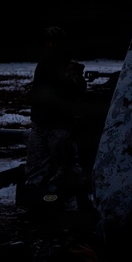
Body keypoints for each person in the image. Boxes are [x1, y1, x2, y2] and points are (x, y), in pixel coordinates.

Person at [23, 26, 92, 218]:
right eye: (49, 40)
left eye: (55, 41)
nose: (51, 44)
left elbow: (77, 91)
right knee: (35, 168)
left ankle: (80, 204)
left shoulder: (69, 65)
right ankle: (35, 207)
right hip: (41, 123)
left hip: (59, 125)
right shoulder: (45, 62)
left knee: (68, 167)